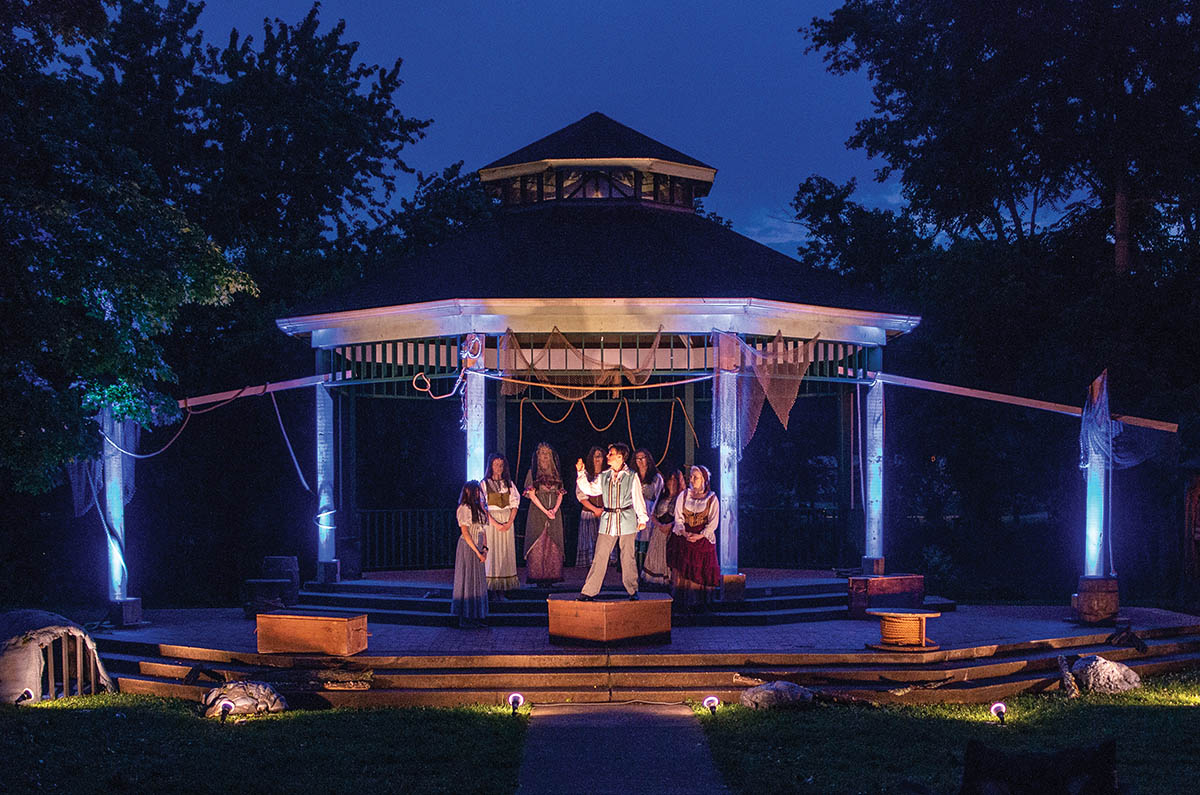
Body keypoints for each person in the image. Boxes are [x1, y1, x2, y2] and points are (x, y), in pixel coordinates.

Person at [575, 443, 648, 601]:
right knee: (600, 555)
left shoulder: (631, 476)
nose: (607, 456)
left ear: (620, 457)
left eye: (611, 454)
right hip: (608, 520)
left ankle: (632, 589)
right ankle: (589, 590)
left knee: (628, 556)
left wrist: (642, 518)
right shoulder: (604, 476)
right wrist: (581, 473)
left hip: (626, 519)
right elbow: (590, 490)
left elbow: (637, 498)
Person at [672, 465, 721, 612]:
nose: (692, 480)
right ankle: (682, 603)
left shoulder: (711, 498)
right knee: (683, 569)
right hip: (686, 535)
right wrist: (683, 531)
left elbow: (713, 522)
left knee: (700, 570)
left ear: (704, 480)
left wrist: (701, 535)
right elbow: (678, 517)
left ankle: (700, 604)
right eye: (691, 477)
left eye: (696, 477)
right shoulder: (684, 495)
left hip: (702, 538)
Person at [523, 442, 566, 584]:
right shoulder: (533, 472)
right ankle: (537, 577)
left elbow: (561, 493)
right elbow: (531, 494)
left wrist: (553, 510)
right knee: (538, 541)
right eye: (542, 453)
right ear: (537, 455)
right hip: (537, 511)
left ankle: (551, 576)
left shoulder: (556, 474)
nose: (545, 456)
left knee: (553, 543)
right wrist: (545, 511)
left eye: (547, 453)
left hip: (554, 511)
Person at [451, 481, 489, 627]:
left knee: (477, 580)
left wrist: (484, 549)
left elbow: (483, 531)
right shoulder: (464, 508)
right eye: (475, 491)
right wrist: (477, 552)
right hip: (468, 547)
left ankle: (476, 616)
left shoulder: (479, 509)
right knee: (468, 579)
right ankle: (465, 617)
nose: (478, 494)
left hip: (478, 546)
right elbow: (466, 533)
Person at [483, 453, 520, 595]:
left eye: (501, 465)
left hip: (506, 519)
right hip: (492, 522)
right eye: (496, 464)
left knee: (505, 551)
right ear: (491, 466)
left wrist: (509, 522)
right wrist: (496, 524)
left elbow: (515, 504)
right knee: (492, 552)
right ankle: (491, 589)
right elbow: (482, 506)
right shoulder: (484, 484)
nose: (498, 467)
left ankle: (504, 589)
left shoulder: (508, 484)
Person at [642, 468, 684, 587]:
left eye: (674, 480)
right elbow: (653, 514)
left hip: (671, 531)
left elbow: (682, 517)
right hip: (659, 531)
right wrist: (659, 525)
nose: (671, 482)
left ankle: (669, 581)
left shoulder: (680, 498)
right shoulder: (662, 497)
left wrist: (670, 526)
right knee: (656, 556)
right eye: (669, 479)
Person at [632, 448, 663, 575]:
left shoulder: (656, 477)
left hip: (649, 510)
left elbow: (658, 496)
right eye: (637, 458)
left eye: (642, 457)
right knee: (634, 542)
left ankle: (644, 572)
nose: (640, 461)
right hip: (634, 511)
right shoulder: (633, 476)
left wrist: (652, 514)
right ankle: (633, 573)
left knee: (646, 541)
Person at [574, 446, 605, 568]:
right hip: (589, 513)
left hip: (604, 513)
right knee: (590, 544)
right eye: (595, 456)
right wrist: (594, 509)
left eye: (600, 455)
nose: (597, 458)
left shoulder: (607, 475)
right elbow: (581, 496)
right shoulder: (585, 475)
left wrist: (602, 510)